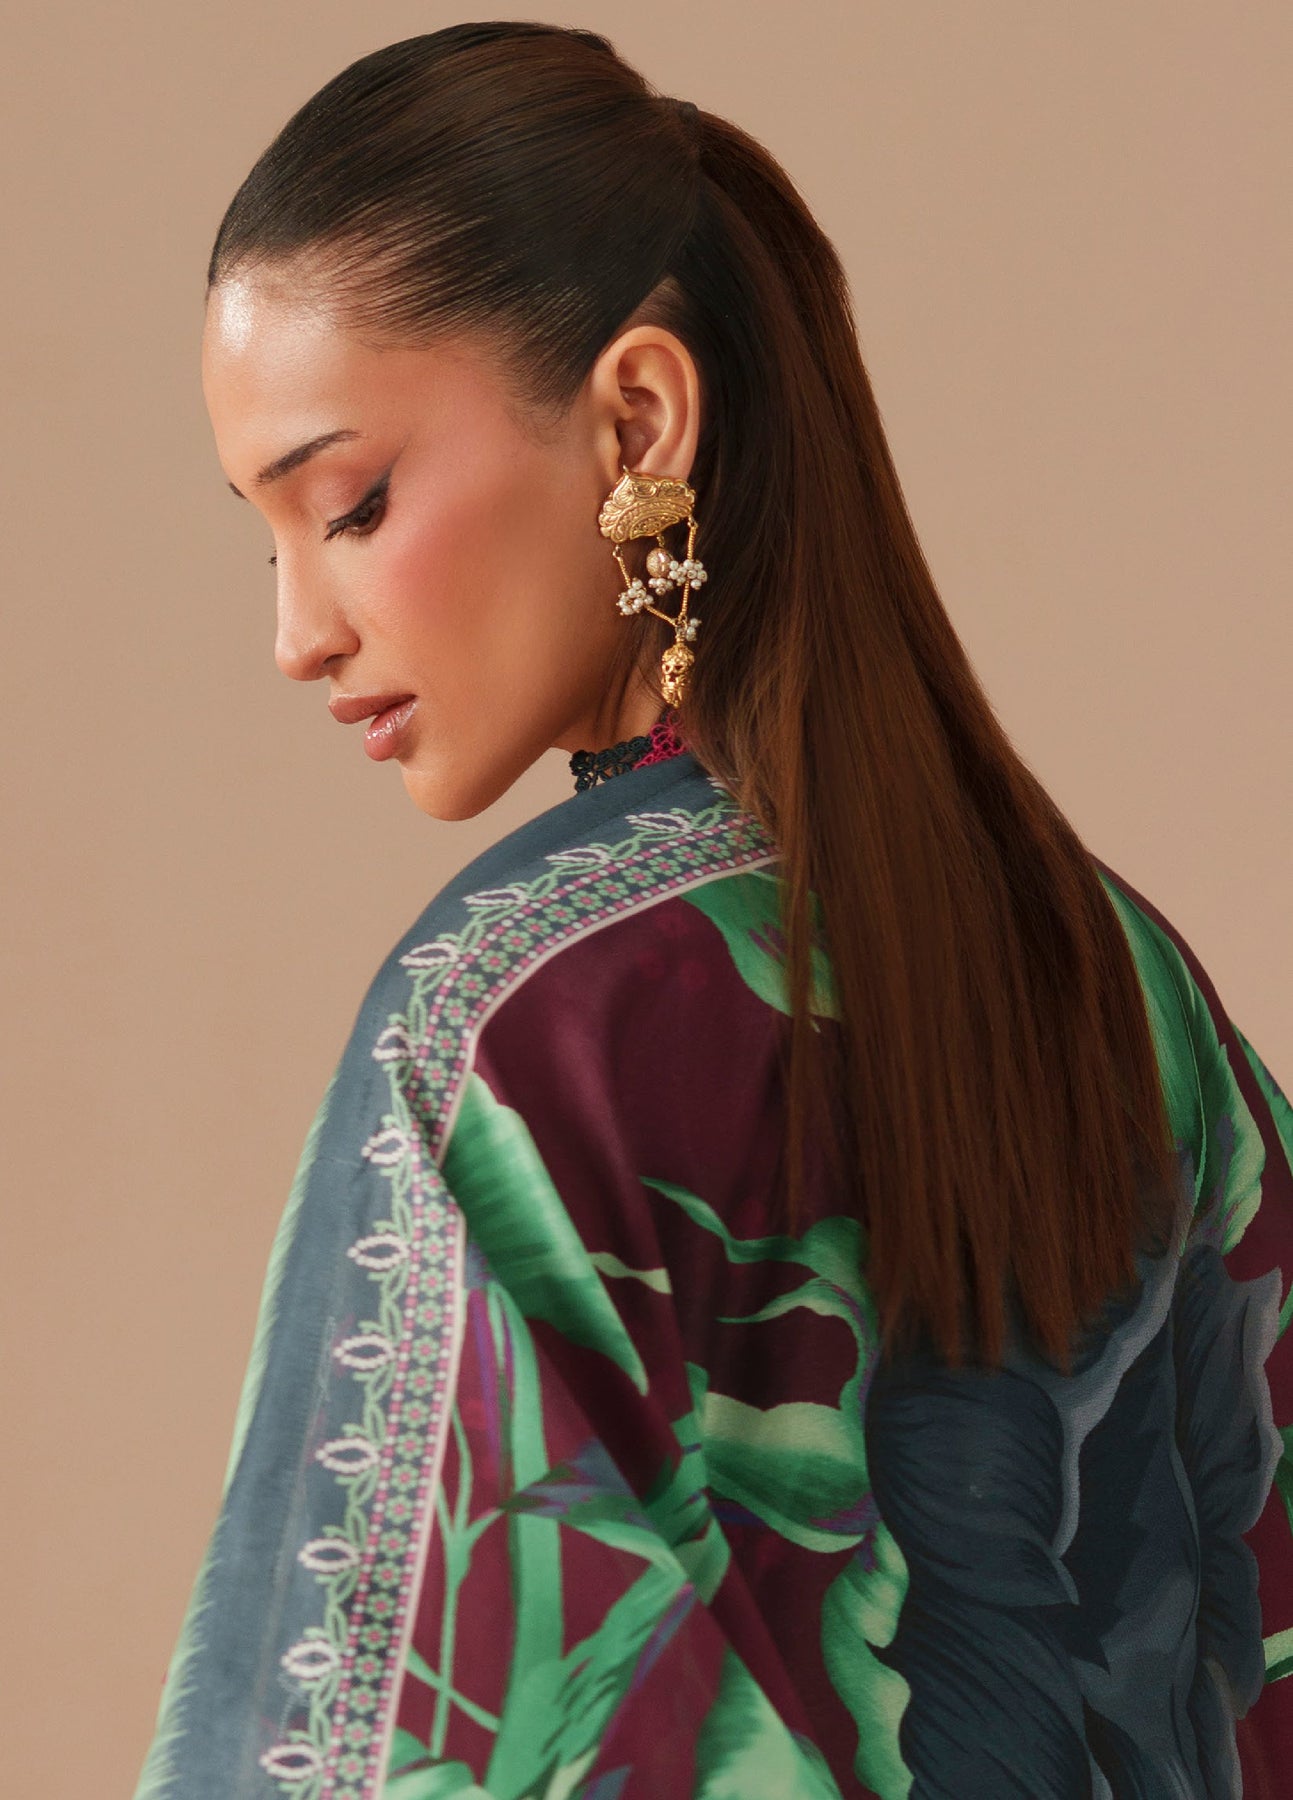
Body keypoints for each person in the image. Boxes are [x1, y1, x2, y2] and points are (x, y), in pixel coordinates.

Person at [134, 22, 1293, 1800]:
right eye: (265, 537)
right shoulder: (1116, 972)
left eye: (350, 505)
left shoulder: (517, 1026)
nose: (297, 631)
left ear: (638, 420)